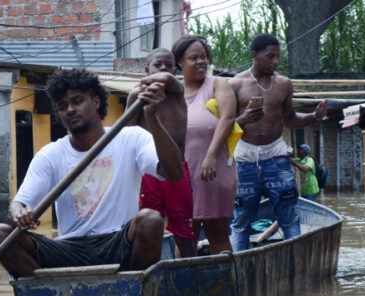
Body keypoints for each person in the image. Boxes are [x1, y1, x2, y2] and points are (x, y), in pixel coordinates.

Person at [0, 69, 184, 278]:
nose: (70, 110)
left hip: (117, 242)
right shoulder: (50, 154)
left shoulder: (131, 137)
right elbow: (20, 203)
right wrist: (19, 211)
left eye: (77, 101)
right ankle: (51, 295)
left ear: (96, 101)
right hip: (69, 248)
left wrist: (152, 117)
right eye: (62, 106)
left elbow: (174, 173)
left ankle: (133, 289)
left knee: (151, 220)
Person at [229, 34, 327, 251]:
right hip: (245, 159)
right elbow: (223, 126)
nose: (275, 61)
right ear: (254, 55)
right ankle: (239, 270)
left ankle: (297, 266)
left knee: (289, 217)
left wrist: (314, 117)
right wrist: (243, 119)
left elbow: (290, 119)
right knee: (241, 220)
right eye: (270, 56)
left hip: (276, 157)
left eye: (277, 57)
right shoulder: (235, 84)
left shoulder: (283, 84)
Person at [172, 35, 238, 254]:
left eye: (204, 57)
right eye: (194, 58)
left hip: (212, 168)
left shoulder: (218, 84)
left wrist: (210, 155)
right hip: (182, 171)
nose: (201, 62)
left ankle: (228, 281)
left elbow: (227, 118)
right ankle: (186, 282)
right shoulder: (174, 91)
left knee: (216, 231)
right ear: (180, 62)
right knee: (183, 234)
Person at [127, 48, 195, 258]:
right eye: (158, 64)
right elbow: (126, 134)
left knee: (184, 230)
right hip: (148, 173)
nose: (165, 68)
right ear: (146, 68)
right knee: (147, 225)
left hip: (175, 170)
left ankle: (190, 271)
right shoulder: (137, 97)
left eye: (169, 64)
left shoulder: (176, 92)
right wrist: (134, 97)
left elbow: (166, 78)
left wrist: (151, 82)